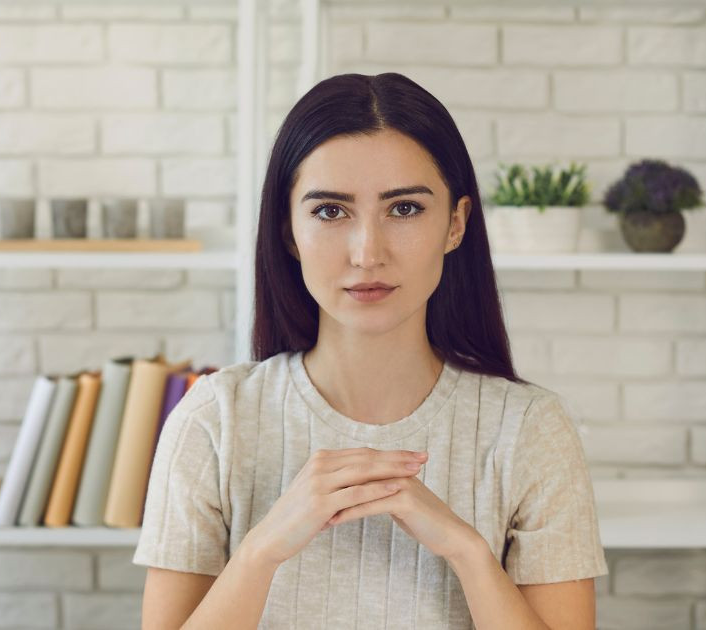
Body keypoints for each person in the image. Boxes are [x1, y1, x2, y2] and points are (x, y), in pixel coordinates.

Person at [132, 72, 609, 629]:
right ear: (288, 230)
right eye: (330, 212)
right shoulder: (216, 418)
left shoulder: (530, 429)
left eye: (404, 209)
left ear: (455, 224)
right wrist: (264, 549)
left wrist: (468, 552)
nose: (366, 253)